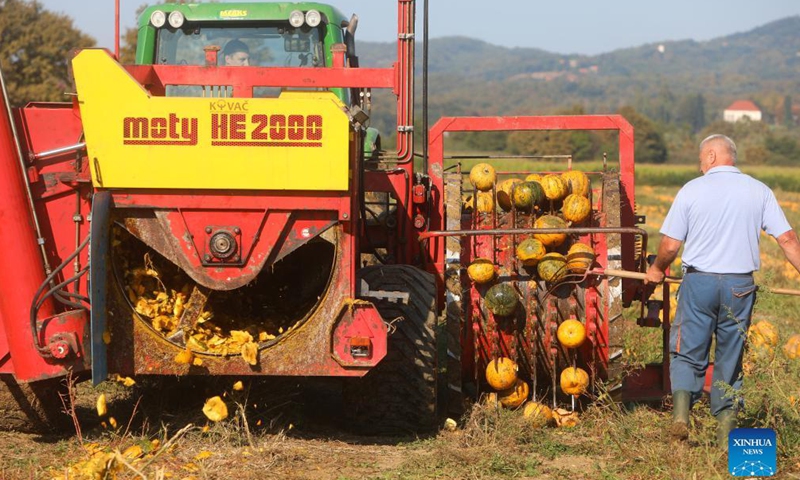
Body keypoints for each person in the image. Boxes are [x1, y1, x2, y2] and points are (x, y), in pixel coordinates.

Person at [644, 134, 800, 449]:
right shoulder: (759, 191)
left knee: (687, 350)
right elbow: (787, 240)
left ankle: (680, 418)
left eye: (702, 159)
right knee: (730, 356)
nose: (701, 166)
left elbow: (671, 245)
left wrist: (658, 268)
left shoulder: (691, 190)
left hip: (699, 283)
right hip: (739, 286)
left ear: (713, 156)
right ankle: (726, 435)